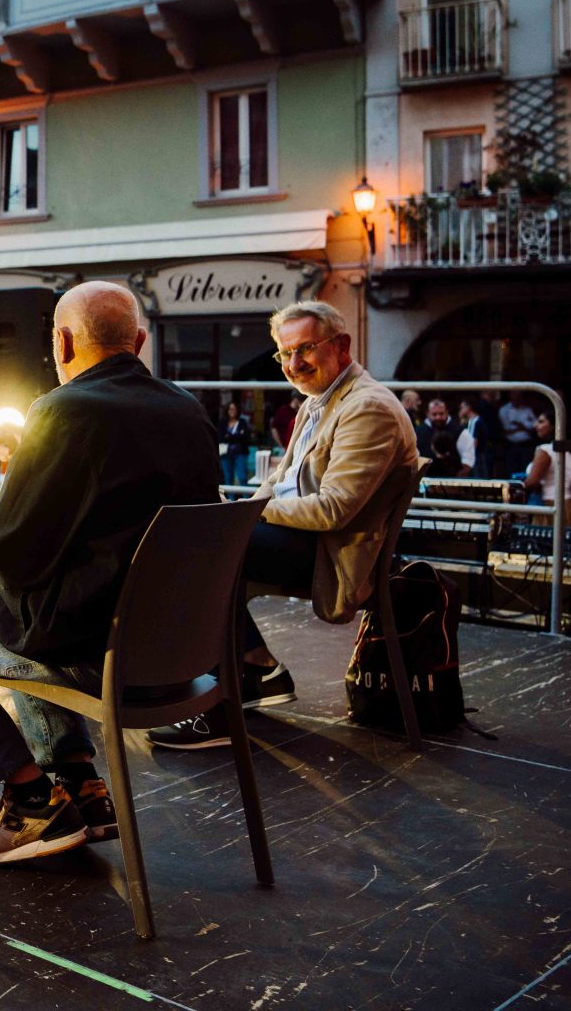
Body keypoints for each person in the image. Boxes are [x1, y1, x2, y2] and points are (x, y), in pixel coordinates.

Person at [0, 281, 218, 862]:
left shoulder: (63, 411)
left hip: (94, 656)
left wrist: (18, 472)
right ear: (139, 342)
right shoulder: (188, 411)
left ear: (62, 343)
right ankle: (83, 789)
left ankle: (28, 795)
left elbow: (11, 551)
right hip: (181, 661)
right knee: (31, 616)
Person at [151, 300, 417, 750]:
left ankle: (218, 706)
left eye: (305, 349)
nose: (294, 364)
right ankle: (255, 669)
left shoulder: (367, 407)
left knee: (208, 547)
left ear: (342, 345)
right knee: (211, 537)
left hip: (336, 557)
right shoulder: (322, 399)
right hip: (304, 541)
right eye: (284, 353)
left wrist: (241, 516)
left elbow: (334, 510)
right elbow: (278, 482)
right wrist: (233, 514)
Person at [523, 409, 571, 523]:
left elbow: (532, 482)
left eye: (541, 422)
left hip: (551, 507)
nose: (535, 425)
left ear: (554, 425)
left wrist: (519, 485)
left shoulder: (545, 450)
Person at [414, 398, 462, 480]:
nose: (438, 417)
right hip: (425, 480)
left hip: (452, 480)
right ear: (427, 413)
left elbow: (467, 462)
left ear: (447, 412)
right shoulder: (417, 432)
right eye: (434, 414)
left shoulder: (459, 431)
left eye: (441, 414)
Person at [220, 400, 255, 487]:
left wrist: (229, 436)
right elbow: (220, 437)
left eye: (234, 409)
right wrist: (237, 435)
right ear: (227, 410)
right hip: (226, 454)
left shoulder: (242, 422)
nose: (232, 411)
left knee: (242, 477)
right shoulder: (223, 422)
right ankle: (230, 499)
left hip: (240, 453)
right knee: (228, 478)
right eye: (230, 409)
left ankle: (246, 499)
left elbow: (245, 437)